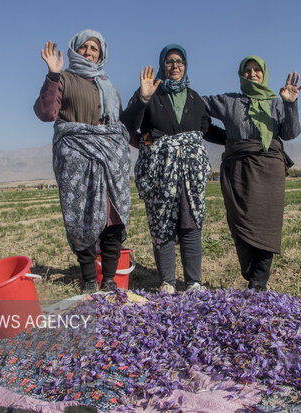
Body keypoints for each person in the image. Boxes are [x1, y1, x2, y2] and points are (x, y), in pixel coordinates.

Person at [121, 44, 225, 293]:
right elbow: (127, 126)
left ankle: (193, 282)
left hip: (190, 173)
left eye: (179, 61)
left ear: (185, 65)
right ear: (162, 65)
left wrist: (235, 139)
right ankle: (167, 281)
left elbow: (207, 130)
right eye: (169, 61)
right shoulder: (150, 93)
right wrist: (143, 99)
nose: (175, 66)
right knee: (162, 224)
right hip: (160, 171)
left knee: (190, 224)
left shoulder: (194, 98)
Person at [33, 29, 130, 293]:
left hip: (110, 160)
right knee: (82, 219)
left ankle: (109, 280)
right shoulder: (63, 78)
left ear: (101, 54)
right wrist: (53, 74)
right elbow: (46, 113)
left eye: (94, 48)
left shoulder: (107, 85)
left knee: (113, 219)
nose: (88, 52)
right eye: (84, 47)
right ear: (75, 49)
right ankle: (89, 280)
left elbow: (117, 123)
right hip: (77, 160)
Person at [203, 55, 301, 291]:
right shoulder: (229, 101)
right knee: (239, 223)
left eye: (257, 70)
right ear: (241, 74)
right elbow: (197, 106)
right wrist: (220, 136)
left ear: (264, 73)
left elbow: (290, 133)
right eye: (247, 70)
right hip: (237, 170)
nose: (252, 74)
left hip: (269, 170)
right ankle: (251, 272)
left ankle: (258, 284)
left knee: (267, 226)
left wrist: (290, 103)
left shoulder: (276, 103)